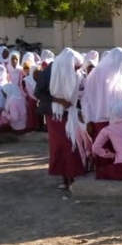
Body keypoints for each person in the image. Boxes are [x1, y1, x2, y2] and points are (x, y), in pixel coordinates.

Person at [46, 48, 88, 191]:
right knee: (63, 147)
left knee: (73, 146)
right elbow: (40, 93)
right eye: (76, 66)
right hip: (57, 116)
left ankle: (73, 178)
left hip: (71, 115)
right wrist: (59, 100)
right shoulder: (49, 74)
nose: (78, 69)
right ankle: (66, 178)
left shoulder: (77, 75)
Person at [82, 47, 122, 138]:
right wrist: (88, 121)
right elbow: (87, 100)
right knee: (103, 150)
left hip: (117, 122)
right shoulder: (96, 74)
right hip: (99, 121)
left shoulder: (119, 77)